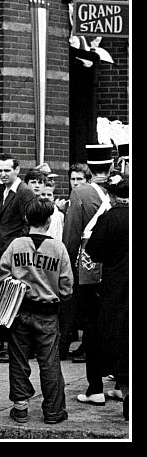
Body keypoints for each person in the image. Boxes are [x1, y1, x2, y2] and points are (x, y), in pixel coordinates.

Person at [0, 196, 73, 425]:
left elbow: (0, 277)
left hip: (19, 311)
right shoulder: (58, 247)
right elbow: (66, 287)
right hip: (48, 313)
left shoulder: (16, 245)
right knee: (50, 362)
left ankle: (21, 407)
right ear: (49, 219)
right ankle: (53, 412)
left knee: (18, 358)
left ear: (26, 218)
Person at [62, 142, 114, 406]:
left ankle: (95, 386)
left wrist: (66, 264)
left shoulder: (81, 192)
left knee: (92, 326)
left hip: (88, 265)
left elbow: (72, 233)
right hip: (116, 266)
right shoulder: (119, 187)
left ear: (90, 168)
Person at [84, 173, 129, 421]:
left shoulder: (109, 218)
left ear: (111, 196)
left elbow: (93, 251)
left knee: (119, 339)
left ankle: (126, 392)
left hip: (116, 287)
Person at [0, 153, 36, 362]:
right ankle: (6, 342)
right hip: (3, 251)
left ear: (17, 170)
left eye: (7, 170)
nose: (2, 174)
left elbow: (29, 223)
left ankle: (17, 345)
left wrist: (15, 246)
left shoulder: (24, 192)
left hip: (14, 254)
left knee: (14, 297)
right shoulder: (5, 191)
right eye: (0, 170)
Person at [58, 162, 92, 361]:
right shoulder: (69, 202)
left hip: (85, 260)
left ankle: (82, 346)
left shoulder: (85, 200)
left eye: (80, 179)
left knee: (84, 305)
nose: (76, 183)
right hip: (75, 260)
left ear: (87, 180)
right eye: (73, 179)